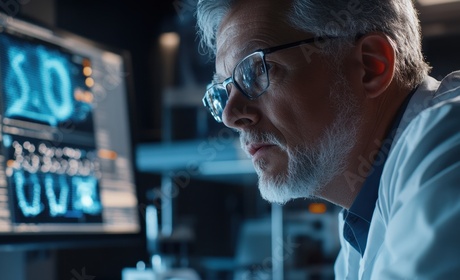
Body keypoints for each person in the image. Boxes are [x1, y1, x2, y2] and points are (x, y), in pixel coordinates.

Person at [196, 0, 460, 278]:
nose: (230, 115)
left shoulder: (448, 141)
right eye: (223, 91)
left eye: (257, 71)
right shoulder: (359, 227)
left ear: (371, 65)